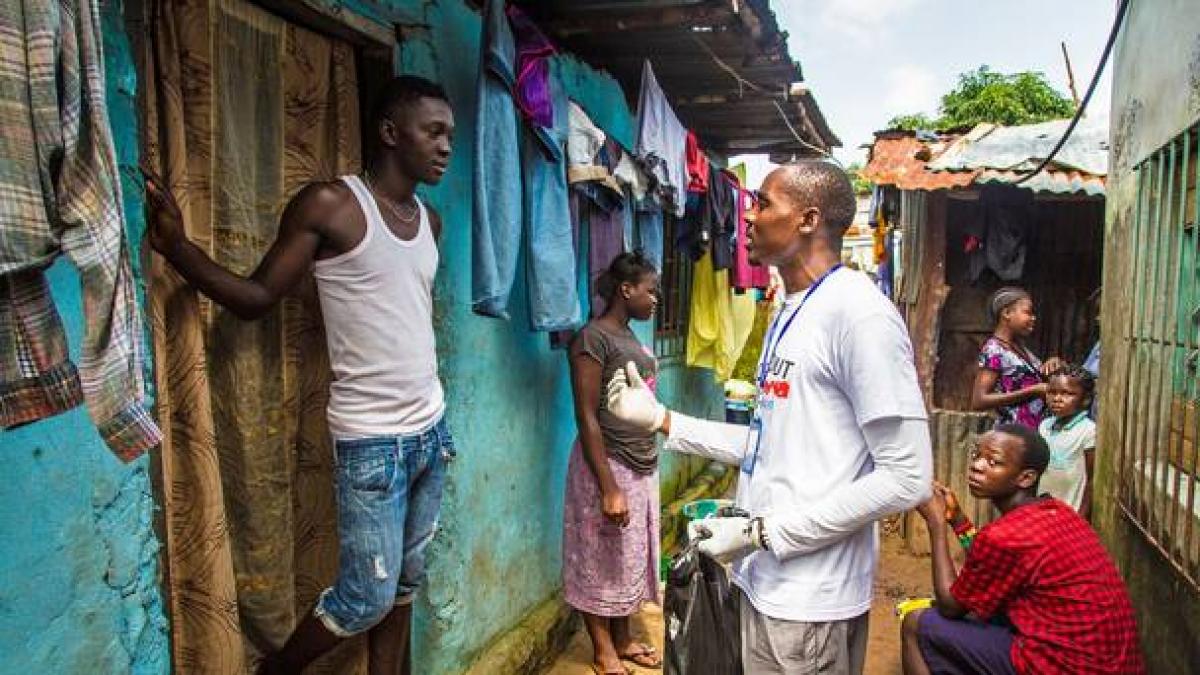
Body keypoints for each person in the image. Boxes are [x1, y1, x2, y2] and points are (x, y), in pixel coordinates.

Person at [143, 76, 455, 675]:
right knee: (365, 596)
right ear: (391, 132)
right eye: (433, 132)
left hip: (430, 434)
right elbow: (257, 296)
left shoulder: (430, 221)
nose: (445, 147)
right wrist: (178, 249)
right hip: (371, 443)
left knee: (406, 584)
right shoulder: (331, 205)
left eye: (450, 136)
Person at [606, 161, 932, 674]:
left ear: (808, 219)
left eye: (762, 203)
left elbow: (908, 477)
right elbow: (771, 443)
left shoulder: (859, 315)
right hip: (762, 582)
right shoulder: (789, 310)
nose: (748, 218)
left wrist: (763, 533)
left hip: (810, 602)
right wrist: (664, 420)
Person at [902, 425, 1144, 675]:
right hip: (1113, 663)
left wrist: (936, 523)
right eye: (977, 456)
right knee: (986, 611)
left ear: (1026, 478)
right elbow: (992, 568)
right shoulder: (1057, 511)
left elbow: (950, 605)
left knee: (916, 623)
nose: (977, 466)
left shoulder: (1007, 535)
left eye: (993, 462)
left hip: (1069, 666)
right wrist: (958, 521)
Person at [564, 252, 663, 675]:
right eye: (651, 290)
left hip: (640, 465)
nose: (656, 299)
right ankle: (602, 648)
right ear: (627, 290)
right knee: (599, 557)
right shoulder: (593, 338)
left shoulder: (631, 339)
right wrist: (608, 486)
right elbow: (586, 415)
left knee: (627, 558)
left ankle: (622, 639)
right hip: (607, 466)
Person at [970, 287, 1063, 429]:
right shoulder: (994, 350)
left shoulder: (1019, 348)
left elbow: (1033, 377)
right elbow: (979, 400)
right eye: (1028, 313)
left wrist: (1053, 364)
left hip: (1032, 431)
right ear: (1007, 313)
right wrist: (1033, 391)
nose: (1033, 318)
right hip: (1012, 435)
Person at [1039, 365, 1096, 519]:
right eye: (1052, 392)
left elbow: (1092, 479)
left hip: (1070, 512)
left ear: (1085, 400)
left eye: (1067, 393)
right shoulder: (1045, 426)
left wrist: (1081, 517)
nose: (1057, 399)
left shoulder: (1089, 431)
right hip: (1043, 509)